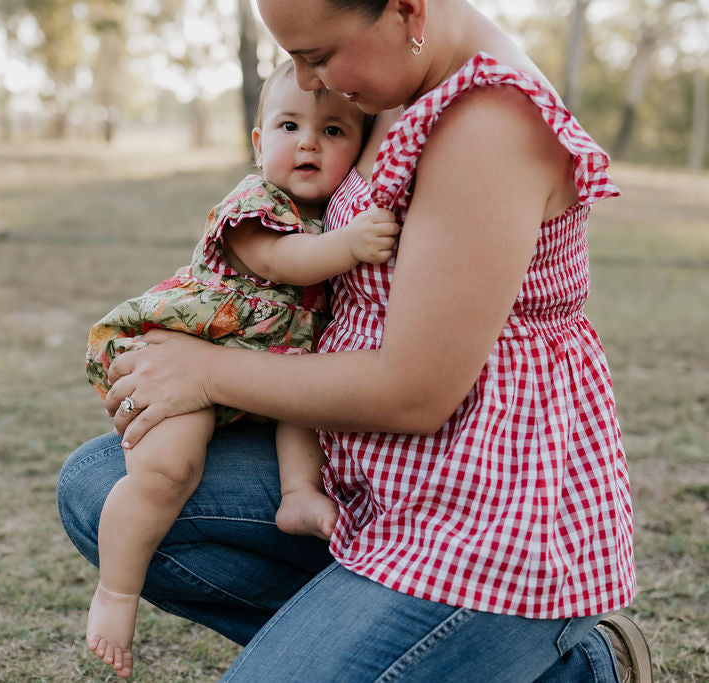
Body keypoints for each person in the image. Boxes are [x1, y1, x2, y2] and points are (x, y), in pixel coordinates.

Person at [59, 0, 653, 680]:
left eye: (318, 56)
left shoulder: (489, 125)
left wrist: (206, 371)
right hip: (363, 476)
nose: (308, 81)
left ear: (406, 9)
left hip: (478, 524)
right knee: (100, 485)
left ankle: (567, 665)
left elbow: (415, 392)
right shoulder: (393, 79)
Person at [82, 60, 402, 678]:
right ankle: (115, 594)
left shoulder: (335, 213)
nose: (309, 141)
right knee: (168, 469)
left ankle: (296, 496)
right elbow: (284, 262)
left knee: (306, 406)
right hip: (187, 354)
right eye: (289, 126)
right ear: (260, 145)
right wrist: (351, 246)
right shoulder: (256, 205)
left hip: (274, 373)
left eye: (335, 131)